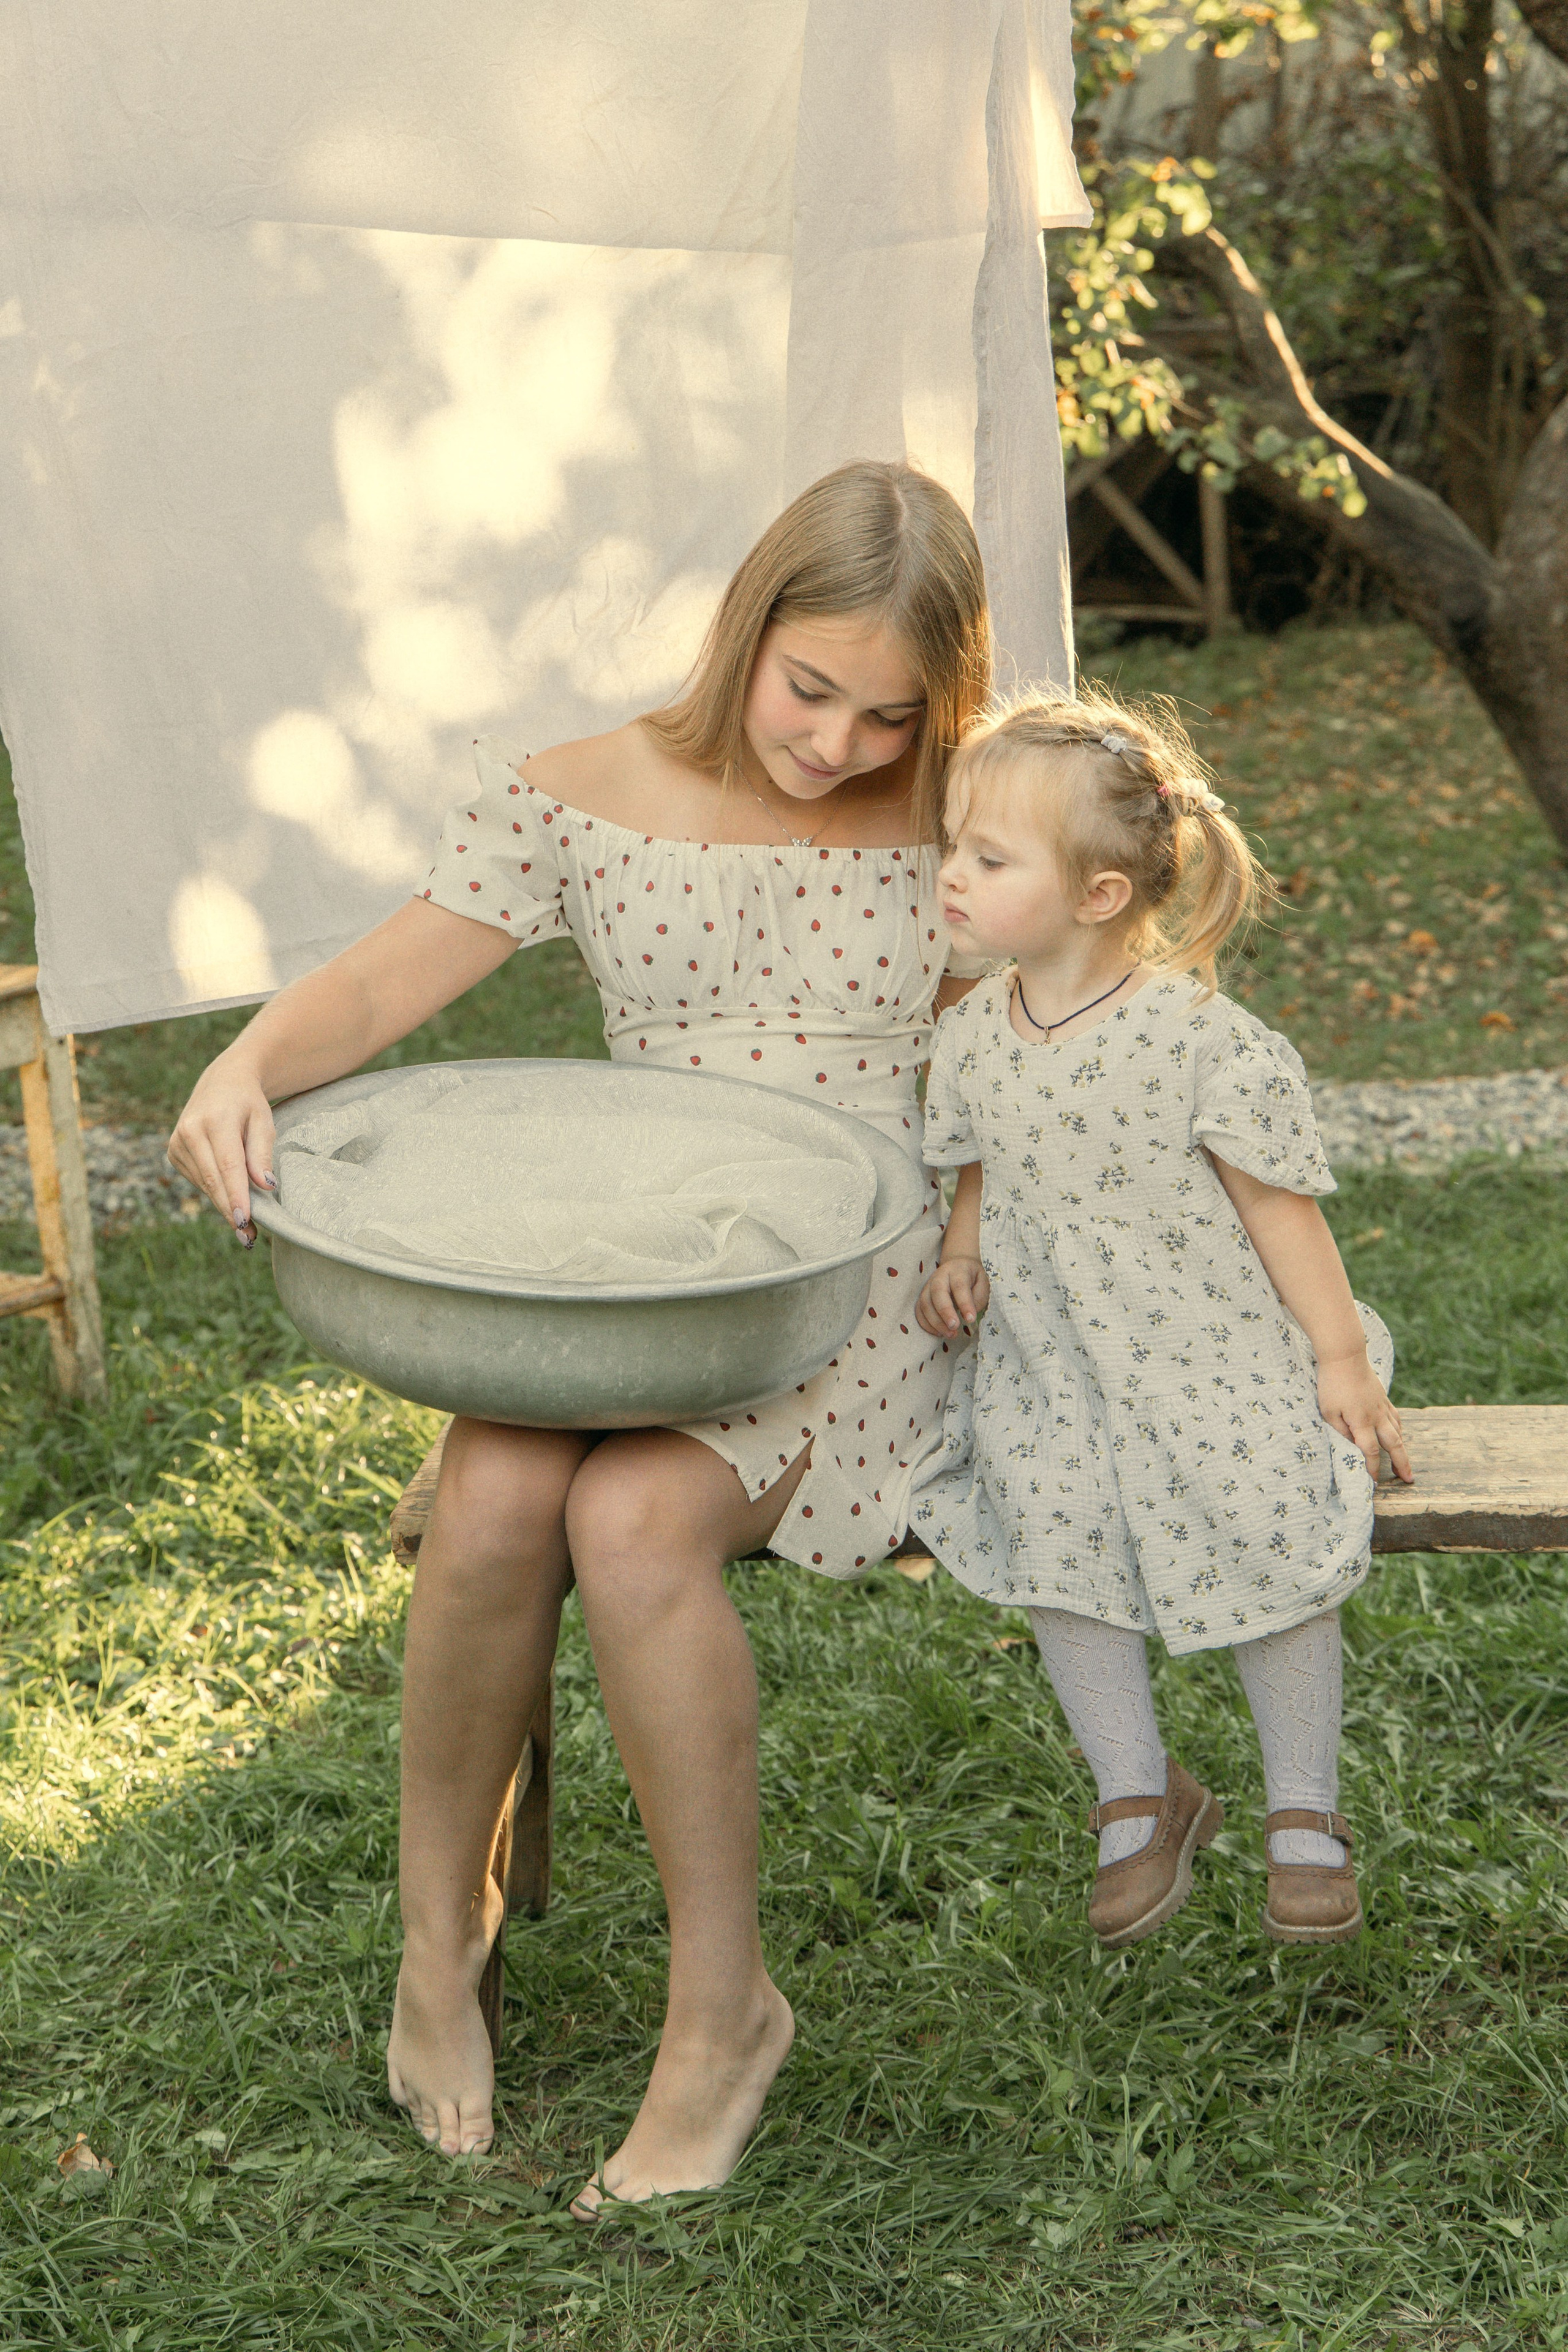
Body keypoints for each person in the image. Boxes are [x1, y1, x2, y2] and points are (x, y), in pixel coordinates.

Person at [168, 461, 992, 2205]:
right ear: (748, 629)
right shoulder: (583, 793)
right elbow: (391, 979)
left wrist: (996, 1225)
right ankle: (435, 1949)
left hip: (844, 1279)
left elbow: (1048, 1030)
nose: (840, 743)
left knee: (627, 1517)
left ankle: (722, 2021)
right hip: (637, 1255)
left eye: (888, 712)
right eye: (810, 689)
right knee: (488, 1494)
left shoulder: (968, 818)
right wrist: (242, 1066)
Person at [911, 686, 1414, 1953]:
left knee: (1261, 1499)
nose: (949, 878)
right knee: (1044, 1505)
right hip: (1057, 1358)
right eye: (951, 848)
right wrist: (962, 1250)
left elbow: (1279, 1211)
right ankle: (1136, 1794)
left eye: (986, 856)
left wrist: (1338, 1361)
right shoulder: (971, 1033)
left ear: (1096, 895)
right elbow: (976, 1161)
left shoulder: (1201, 1042)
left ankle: (1302, 1809)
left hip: (1207, 1351)